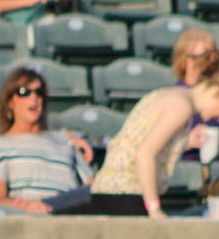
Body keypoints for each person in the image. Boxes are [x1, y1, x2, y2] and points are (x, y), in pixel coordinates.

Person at [70, 67, 219, 217]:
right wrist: (154, 208)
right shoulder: (182, 106)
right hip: (127, 194)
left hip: (111, 190)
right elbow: (144, 153)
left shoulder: (172, 95)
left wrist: (186, 143)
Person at [0, 66, 93, 213]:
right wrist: (25, 206)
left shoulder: (65, 141)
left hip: (72, 210)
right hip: (34, 213)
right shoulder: (0, 146)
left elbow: (93, 187)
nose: (34, 98)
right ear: (10, 102)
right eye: (24, 92)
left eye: (39, 92)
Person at [171, 28, 219, 162]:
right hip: (186, 168)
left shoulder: (215, 93)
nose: (209, 62)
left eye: (213, 55)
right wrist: (188, 142)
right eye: (202, 57)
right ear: (184, 60)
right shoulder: (175, 98)